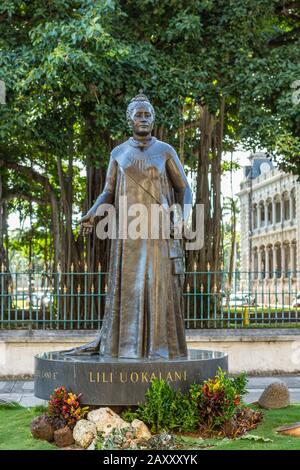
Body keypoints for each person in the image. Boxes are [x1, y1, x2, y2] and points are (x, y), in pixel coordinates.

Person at [70, 91, 192, 359]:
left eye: (148, 115)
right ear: (130, 120)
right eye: (139, 115)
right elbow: (108, 192)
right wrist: (93, 213)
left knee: (157, 290)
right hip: (127, 234)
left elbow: (185, 189)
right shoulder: (118, 153)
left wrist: (181, 216)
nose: (145, 119)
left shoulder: (165, 151)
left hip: (158, 231)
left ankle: (158, 349)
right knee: (129, 290)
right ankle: (125, 349)